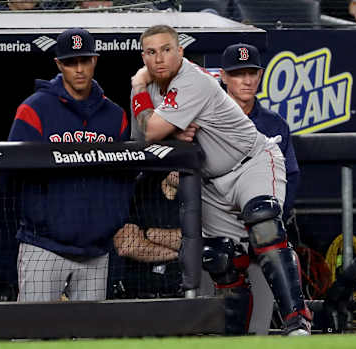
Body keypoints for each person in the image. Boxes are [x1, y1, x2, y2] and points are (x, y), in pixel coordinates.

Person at [130, 24, 311, 336]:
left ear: (180, 52)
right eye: (151, 52)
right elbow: (144, 141)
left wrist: (138, 89)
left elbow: (150, 130)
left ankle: (297, 321)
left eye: (166, 49)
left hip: (249, 163)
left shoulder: (193, 80)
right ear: (143, 56)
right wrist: (171, 130)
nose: (159, 58)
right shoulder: (154, 92)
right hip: (211, 183)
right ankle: (236, 336)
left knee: (264, 221)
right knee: (218, 258)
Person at [8, 28, 132, 302]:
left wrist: (109, 220)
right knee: (32, 336)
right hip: (43, 247)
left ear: (95, 61)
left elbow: (124, 177)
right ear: (58, 64)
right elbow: (11, 174)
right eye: (71, 62)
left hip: (96, 251)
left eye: (84, 61)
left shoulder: (115, 116)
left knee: (90, 341)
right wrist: (41, 218)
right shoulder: (34, 110)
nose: (79, 69)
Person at [219, 43, 300, 225]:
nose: (247, 81)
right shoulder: (208, 119)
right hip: (218, 219)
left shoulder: (275, 124)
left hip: (262, 221)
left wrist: (275, 217)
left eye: (252, 73)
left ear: (260, 75)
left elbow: (291, 175)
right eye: (239, 74)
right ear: (223, 76)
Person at [112, 171, 183, 299]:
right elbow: (125, 247)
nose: (178, 170)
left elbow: (196, 241)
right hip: (137, 295)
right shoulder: (141, 188)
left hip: (180, 295)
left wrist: (145, 234)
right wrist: (181, 252)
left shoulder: (200, 195)